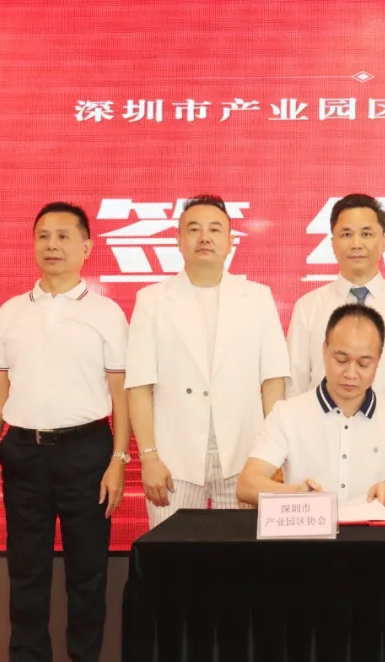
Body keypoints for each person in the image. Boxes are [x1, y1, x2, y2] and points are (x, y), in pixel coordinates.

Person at [0, 202, 130, 662]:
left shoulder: (106, 311)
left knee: (88, 575)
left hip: (87, 452)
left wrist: (119, 460)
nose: (52, 245)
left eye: (64, 236)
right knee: (26, 573)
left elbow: (121, 392)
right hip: (24, 453)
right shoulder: (11, 311)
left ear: (87, 247)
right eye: (43, 235)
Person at [125, 194, 290, 528]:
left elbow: (273, 382)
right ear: (178, 240)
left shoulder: (257, 298)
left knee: (243, 553)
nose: (204, 237)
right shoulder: (152, 300)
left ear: (230, 242)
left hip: (246, 456)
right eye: (194, 229)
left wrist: (273, 456)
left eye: (215, 230)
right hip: (174, 459)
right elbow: (139, 387)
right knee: (173, 553)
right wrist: (149, 457)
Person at [286, 193, 385, 484]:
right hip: (319, 451)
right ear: (332, 242)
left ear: (383, 241)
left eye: (366, 233)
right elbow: (294, 388)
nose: (356, 243)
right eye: (346, 234)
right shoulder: (308, 307)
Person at [237, 303, 385, 508]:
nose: (350, 373)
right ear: (324, 350)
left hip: (372, 529)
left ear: (378, 359)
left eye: (364, 363)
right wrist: (297, 493)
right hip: (310, 528)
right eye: (341, 360)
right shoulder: (287, 414)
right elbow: (247, 485)